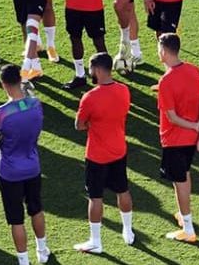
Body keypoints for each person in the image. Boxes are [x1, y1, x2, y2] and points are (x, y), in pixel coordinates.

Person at [0, 65, 50, 265]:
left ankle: (24, 260)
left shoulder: (1, 113)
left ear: (3, 84)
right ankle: (42, 250)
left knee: (16, 219)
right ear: (20, 79)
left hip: (9, 172)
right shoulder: (36, 104)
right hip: (32, 166)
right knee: (36, 209)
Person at [73, 53, 134, 253]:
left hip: (97, 155)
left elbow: (79, 125)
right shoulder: (124, 90)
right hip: (119, 150)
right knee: (122, 190)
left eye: (91, 69)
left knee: (95, 197)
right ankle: (128, 231)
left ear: (98, 70)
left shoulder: (90, 97)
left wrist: (92, 124)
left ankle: (96, 241)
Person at [156, 33, 199, 242]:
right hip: (191, 139)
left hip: (174, 140)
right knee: (184, 175)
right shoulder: (193, 70)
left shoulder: (165, 82)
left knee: (180, 181)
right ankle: (183, 214)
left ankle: (188, 229)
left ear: (163, 51)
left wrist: (194, 126)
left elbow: (172, 117)